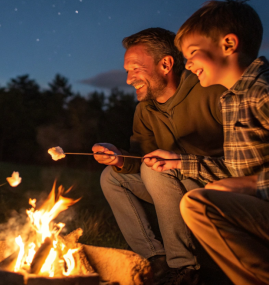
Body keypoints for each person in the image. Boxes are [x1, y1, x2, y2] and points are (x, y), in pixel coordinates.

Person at [145, 0, 269, 285]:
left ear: (229, 45)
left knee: (198, 205)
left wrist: (254, 185)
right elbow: (239, 173)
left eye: (193, 53)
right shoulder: (234, 100)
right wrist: (181, 162)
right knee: (201, 200)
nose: (188, 64)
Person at [94, 27, 226, 283]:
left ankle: (186, 269)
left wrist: (174, 163)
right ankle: (155, 261)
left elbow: (243, 160)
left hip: (217, 188)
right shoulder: (145, 110)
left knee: (154, 171)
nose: (129, 79)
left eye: (135, 68)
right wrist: (120, 159)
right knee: (111, 177)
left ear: (165, 64)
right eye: (127, 71)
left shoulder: (210, 90)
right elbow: (142, 157)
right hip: (170, 185)